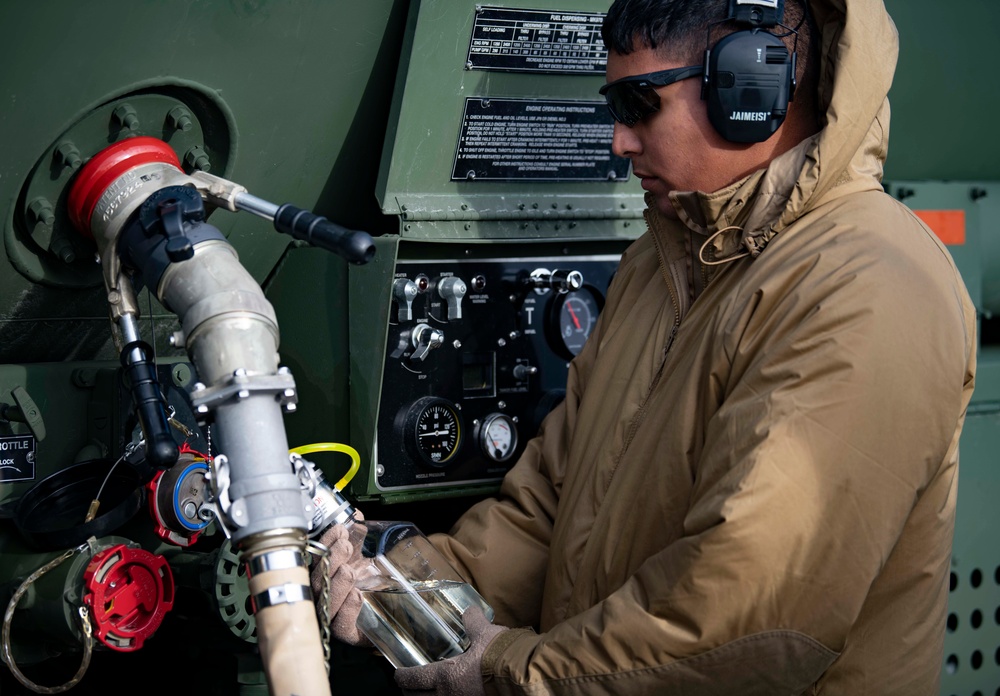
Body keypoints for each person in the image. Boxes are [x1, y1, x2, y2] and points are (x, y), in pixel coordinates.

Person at [315, 0, 977, 693]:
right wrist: (404, 580)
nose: (619, 142)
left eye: (639, 104)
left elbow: (742, 619)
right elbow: (545, 513)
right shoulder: (658, 269)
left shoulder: (868, 285)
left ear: (750, 92)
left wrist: (503, 670)